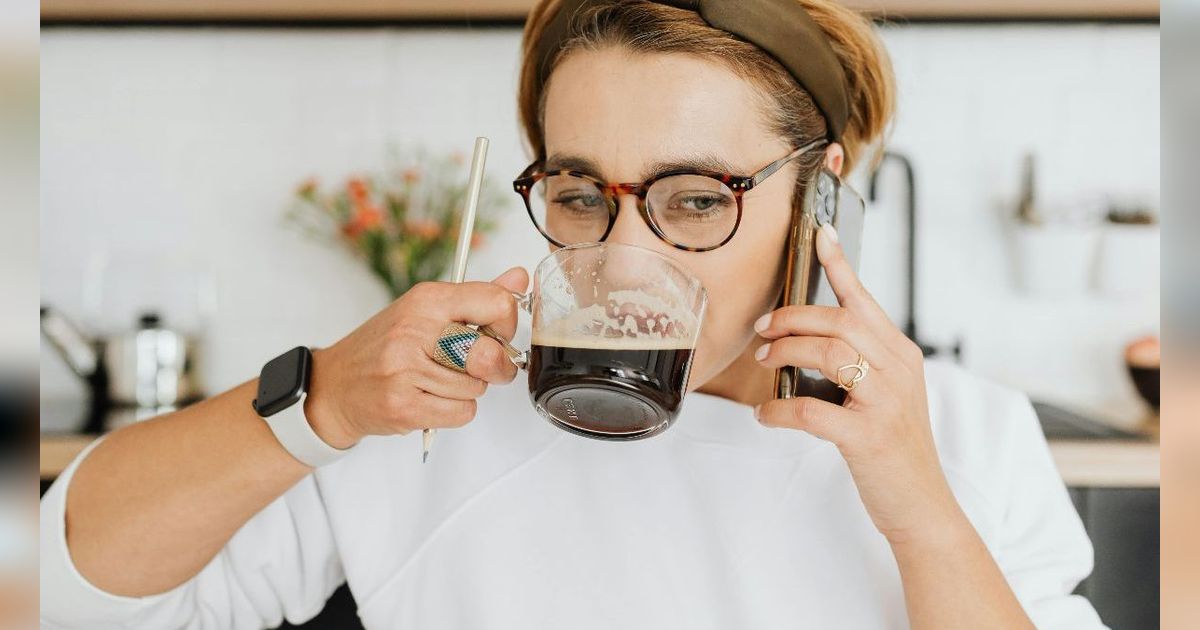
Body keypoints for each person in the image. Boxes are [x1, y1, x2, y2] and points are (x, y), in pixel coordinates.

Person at [40, 1, 1106, 628]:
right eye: (582, 196)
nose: (625, 262)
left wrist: (920, 512)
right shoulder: (424, 420)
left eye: (697, 200)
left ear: (824, 193)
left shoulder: (963, 436)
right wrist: (318, 401)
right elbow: (67, 591)